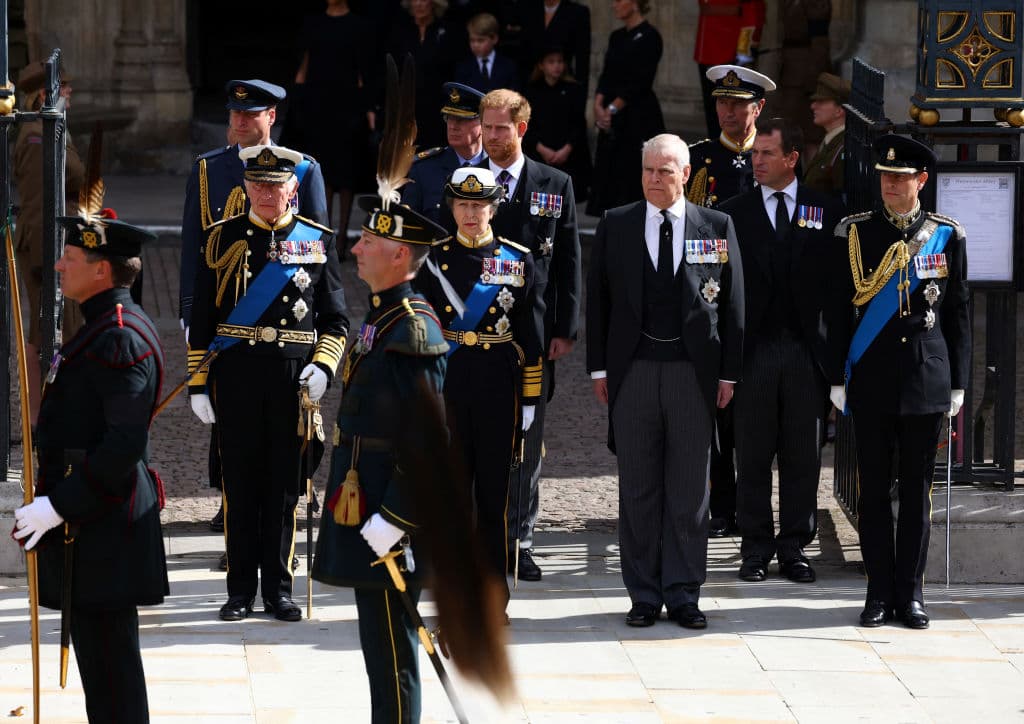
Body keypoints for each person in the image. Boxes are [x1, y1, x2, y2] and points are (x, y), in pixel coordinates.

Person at [13, 215, 167, 723]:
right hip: (94, 521)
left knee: (112, 674)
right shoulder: (101, 326)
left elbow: (123, 444)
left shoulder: (118, 336)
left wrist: (58, 507)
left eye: (71, 258)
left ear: (102, 271)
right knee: (102, 672)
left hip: (104, 523)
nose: (58, 266)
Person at [587, 133, 744, 629]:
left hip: (692, 374)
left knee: (689, 489)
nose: (655, 180)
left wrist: (728, 372)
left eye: (665, 171)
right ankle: (643, 593)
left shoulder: (715, 225)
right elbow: (599, 301)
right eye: (648, 170)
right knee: (637, 487)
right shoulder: (617, 223)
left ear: (685, 174)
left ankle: (683, 592)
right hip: (633, 371)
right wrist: (599, 368)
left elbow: (733, 304)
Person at [187, 145, 349, 622]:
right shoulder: (221, 237)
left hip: (291, 381)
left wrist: (323, 367)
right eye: (257, 184)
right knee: (239, 486)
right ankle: (239, 590)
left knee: (284, 488)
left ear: (293, 188)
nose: (265, 193)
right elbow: (203, 320)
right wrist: (198, 384)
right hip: (236, 376)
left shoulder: (316, 240)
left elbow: (336, 319)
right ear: (244, 186)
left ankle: (279, 589)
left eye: (275, 186)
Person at [311, 194, 453, 724]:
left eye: (368, 241)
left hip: (390, 515)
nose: (355, 248)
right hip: (369, 502)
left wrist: (395, 518)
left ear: (399, 255)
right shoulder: (384, 317)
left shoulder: (412, 330)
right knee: (379, 647)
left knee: (393, 653)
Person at [826, 135, 969, 629]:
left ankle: (911, 594)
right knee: (872, 492)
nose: (890, 185)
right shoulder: (854, 232)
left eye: (901, 178)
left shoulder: (946, 235)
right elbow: (837, 310)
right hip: (872, 377)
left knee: (915, 493)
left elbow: (957, 313)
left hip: (926, 378)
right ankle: (877, 593)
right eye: (885, 177)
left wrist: (958, 384)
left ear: (921, 181)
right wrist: (836, 376)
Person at [180, 78, 328, 538]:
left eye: (250, 114)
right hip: (228, 317)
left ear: (271, 117)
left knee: (286, 431)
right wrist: (190, 312)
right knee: (229, 421)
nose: (240, 121)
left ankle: (282, 508)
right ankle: (232, 505)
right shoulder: (208, 169)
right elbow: (193, 247)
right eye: (235, 114)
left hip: (286, 321)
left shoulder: (303, 169)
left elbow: (316, 246)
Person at [719, 117, 844, 584]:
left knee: (803, 456)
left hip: (805, 354)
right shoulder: (733, 213)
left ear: (792, 158)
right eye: (755, 153)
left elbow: (838, 292)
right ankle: (754, 548)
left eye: (767, 153)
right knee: (751, 455)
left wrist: (835, 365)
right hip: (753, 353)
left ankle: (794, 547)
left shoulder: (825, 209)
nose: (757, 161)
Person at [417, 167, 544, 599]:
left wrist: (530, 398)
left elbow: (530, 334)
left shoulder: (517, 259)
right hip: (449, 384)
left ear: (494, 208)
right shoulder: (432, 260)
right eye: (463, 205)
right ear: (451, 208)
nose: (471, 214)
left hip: (497, 386)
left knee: (494, 495)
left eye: (479, 205)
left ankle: (492, 591)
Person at [480, 88, 580, 581]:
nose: (491, 137)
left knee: (527, 441)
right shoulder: (467, 180)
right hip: (477, 335)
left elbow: (568, 261)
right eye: (486, 127)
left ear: (521, 129)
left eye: (501, 128)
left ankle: (519, 541)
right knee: (476, 440)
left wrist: (566, 329)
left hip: (533, 337)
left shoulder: (554, 183)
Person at [687, 63, 775, 540]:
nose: (727, 112)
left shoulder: (771, 158)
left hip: (762, 298)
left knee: (756, 411)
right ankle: (721, 503)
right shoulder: (699, 160)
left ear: (756, 109)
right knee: (716, 410)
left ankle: (754, 504)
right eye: (722, 103)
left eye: (737, 105)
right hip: (716, 295)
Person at [12, 59, 85, 425]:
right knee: (50, 332)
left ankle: (44, 416)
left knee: (51, 330)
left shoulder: (50, 129)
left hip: (56, 243)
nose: (69, 92)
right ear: (44, 94)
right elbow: (39, 203)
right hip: (47, 246)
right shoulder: (37, 136)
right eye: (62, 87)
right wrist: (49, 260)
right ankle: (41, 418)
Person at [292, 0, 376, 233]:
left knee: (346, 172)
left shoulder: (360, 26)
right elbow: (304, 66)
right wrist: (297, 103)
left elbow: (364, 72)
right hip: (317, 106)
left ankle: (342, 237)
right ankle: (324, 233)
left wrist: (368, 110)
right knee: (322, 171)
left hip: (347, 108)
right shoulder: (313, 24)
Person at [588, 0, 664, 215]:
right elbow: (606, 74)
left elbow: (641, 80)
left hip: (637, 115)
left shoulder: (650, 36)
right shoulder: (616, 36)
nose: (614, 5)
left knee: (632, 170)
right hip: (612, 116)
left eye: (619, 0)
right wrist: (598, 104)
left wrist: (611, 109)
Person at [402, 81, 487, 226]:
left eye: (461, 119)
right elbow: (408, 225)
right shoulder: (423, 169)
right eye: (449, 118)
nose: (453, 126)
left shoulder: (498, 167)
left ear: (484, 123)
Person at [389, 0, 462, 147]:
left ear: (434, 3)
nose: (419, 4)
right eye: (414, 0)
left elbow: (455, 71)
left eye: (423, 0)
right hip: (407, 109)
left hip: (439, 107)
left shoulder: (448, 31)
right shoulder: (400, 31)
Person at [523, 45, 592, 202]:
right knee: (542, 199)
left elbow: (579, 124)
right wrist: (542, 149)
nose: (557, 66)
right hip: (540, 154)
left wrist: (566, 150)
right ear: (541, 65)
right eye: (551, 62)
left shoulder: (573, 90)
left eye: (560, 61)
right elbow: (527, 124)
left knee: (567, 199)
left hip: (568, 155)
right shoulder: (532, 91)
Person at [693, 0, 766, 138]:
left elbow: (751, 12)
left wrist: (744, 49)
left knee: (733, 108)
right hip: (709, 50)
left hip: (729, 49)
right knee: (714, 109)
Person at [804, 72, 850, 200]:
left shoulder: (844, 147)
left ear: (839, 110)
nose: (813, 106)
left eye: (821, 102)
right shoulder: (831, 141)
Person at [454, 12, 520, 93]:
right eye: (472, 40)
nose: (475, 45)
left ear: (494, 39)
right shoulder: (463, 67)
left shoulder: (508, 66)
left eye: (480, 40)